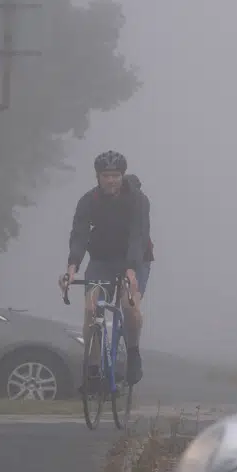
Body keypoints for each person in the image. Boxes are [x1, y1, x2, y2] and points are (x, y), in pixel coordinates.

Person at [61, 150, 150, 385]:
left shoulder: (137, 200)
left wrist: (131, 269)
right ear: (98, 177)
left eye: (116, 175)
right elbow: (79, 235)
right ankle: (92, 368)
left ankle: (133, 353)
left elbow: (138, 235)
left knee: (129, 304)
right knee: (91, 309)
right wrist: (72, 267)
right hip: (101, 260)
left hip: (134, 259)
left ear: (123, 176)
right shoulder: (88, 201)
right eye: (106, 175)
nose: (111, 180)